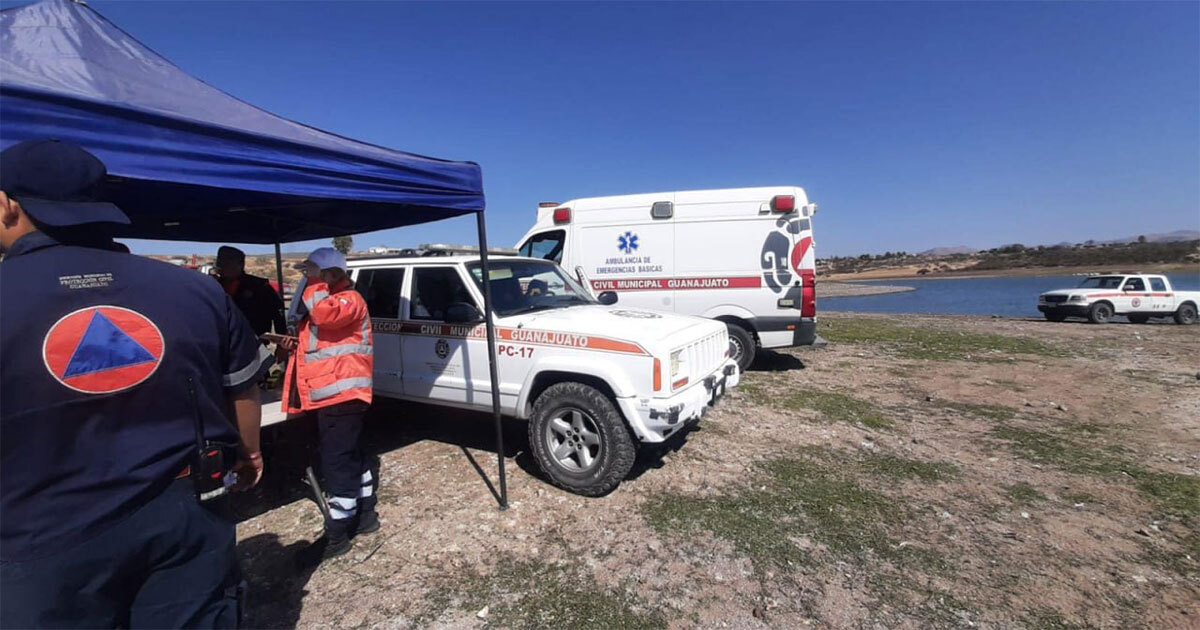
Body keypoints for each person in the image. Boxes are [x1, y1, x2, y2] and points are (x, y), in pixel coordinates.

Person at [0, 139, 272, 628]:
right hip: (185, 514)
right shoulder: (195, 290)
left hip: (38, 535)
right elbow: (242, 390)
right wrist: (249, 453)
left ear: (6, 205)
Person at [279, 247, 378, 563]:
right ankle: (365, 518)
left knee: (337, 464)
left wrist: (315, 283)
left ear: (331, 274)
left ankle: (337, 535)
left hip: (343, 396)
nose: (306, 278)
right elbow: (322, 343)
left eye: (312, 272)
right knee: (351, 458)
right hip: (332, 395)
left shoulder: (349, 300)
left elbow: (326, 316)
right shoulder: (329, 302)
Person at [214, 245, 287, 339]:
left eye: (226, 263)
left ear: (240, 264)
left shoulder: (258, 286)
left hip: (253, 341)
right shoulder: (213, 286)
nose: (221, 267)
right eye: (219, 263)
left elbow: (278, 314)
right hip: (220, 341)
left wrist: (281, 344)